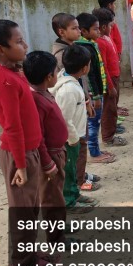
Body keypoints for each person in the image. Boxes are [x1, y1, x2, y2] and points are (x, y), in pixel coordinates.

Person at [0, 19, 43, 266]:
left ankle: (31, 254)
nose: (25, 46)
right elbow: (13, 127)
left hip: (28, 152)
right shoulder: (5, 82)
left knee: (32, 207)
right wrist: (21, 167)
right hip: (19, 155)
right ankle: (23, 265)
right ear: (1, 49)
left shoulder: (14, 73)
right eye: (19, 42)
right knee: (23, 212)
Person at [24, 51, 97, 219]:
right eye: (55, 71)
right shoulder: (68, 90)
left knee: (72, 170)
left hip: (73, 137)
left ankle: (74, 194)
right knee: (68, 172)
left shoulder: (64, 85)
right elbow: (65, 118)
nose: (58, 73)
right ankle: (69, 201)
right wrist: (73, 138)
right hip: (70, 140)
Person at [50, 12, 101, 189]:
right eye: (75, 28)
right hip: (73, 108)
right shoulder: (62, 55)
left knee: (81, 145)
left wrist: (87, 99)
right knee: (78, 146)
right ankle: (79, 181)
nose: (79, 31)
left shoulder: (74, 49)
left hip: (80, 101)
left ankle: (80, 174)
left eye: (79, 27)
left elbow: (79, 80)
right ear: (61, 31)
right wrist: (86, 100)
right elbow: (71, 82)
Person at [75, 12, 116, 164]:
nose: (99, 32)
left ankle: (96, 149)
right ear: (84, 31)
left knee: (94, 122)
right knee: (93, 123)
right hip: (93, 95)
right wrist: (96, 96)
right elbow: (89, 75)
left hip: (95, 92)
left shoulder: (91, 45)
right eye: (95, 29)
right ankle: (94, 152)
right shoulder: (84, 49)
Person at [93, 8, 127, 147]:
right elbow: (103, 67)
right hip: (109, 80)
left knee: (112, 107)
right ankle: (108, 138)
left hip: (114, 77)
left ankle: (111, 132)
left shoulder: (106, 38)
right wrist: (110, 86)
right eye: (110, 26)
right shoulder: (100, 42)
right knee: (109, 109)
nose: (112, 28)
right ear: (103, 27)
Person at [97, 0, 129, 116]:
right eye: (113, 4)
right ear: (109, 5)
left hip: (114, 56)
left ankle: (114, 108)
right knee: (111, 91)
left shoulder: (108, 18)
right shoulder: (104, 22)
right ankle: (112, 111)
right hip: (111, 60)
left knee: (115, 89)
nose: (114, 6)